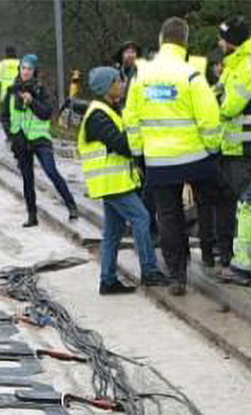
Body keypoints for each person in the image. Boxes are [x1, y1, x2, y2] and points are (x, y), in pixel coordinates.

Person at [127, 17, 225, 295]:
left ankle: (178, 276)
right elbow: (208, 118)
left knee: (168, 217)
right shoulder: (191, 73)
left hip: (158, 161)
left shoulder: (141, 75)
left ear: (160, 40)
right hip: (195, 158)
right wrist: (212, 149)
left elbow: (131, 118)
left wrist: (138, 154)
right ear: (185, 40)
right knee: (213, 202)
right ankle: (214, 256)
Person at [80, 66, 166, 295]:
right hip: (112, 184)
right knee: (142, 218)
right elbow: (123, 145)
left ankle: (108, 280)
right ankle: (149, 271)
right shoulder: (99, 115)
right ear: (108, 86)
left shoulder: (109, 110)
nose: (123, 84)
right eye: (118, 81)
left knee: (113, 232)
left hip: (115, 182)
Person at [215, 19, 251, 281]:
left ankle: (250, 266)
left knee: (247, 208)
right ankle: (241, 261)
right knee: (238, 207)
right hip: (232, 148)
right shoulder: (236, 64)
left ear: (231, 41)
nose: (219, 43)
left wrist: (214, 99)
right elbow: (216, 95)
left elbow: (227, 106)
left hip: (246, 150)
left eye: (222, 38)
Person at [6, 54, 80, 227]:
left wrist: (32, 102)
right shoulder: (13, 89)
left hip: (40, 138)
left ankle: (71, 205)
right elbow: (6, 115)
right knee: (27, 178)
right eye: (23, 68)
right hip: (21, 140)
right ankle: (32, 215)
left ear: (34, 71)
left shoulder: (40, 89)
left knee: (51, 171)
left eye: (29, 69)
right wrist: (12, 136)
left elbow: (47, 113)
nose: (25, 71)